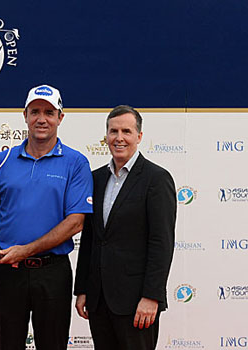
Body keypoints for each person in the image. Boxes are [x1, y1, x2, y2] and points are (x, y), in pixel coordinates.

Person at [0, 85, 93, 350]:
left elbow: (76, 222)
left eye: (49, 112)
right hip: (6, 271)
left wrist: (26, 250)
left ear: (60, 117)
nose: (41, 119)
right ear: (25, 115)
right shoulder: (2, 160)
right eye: (35, 111)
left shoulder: (75, 162)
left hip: (52, 272)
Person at [74, 105, 176, 350]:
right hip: (99, 300)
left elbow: (161, 243)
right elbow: (90, 239)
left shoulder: (156, 179)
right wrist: (83, 289)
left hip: (137, 302)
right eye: (113, 131)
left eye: (126, 131)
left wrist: (152, 296)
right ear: (106, 136)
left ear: (139, 136)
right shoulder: (95, 178)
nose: (119, 138)